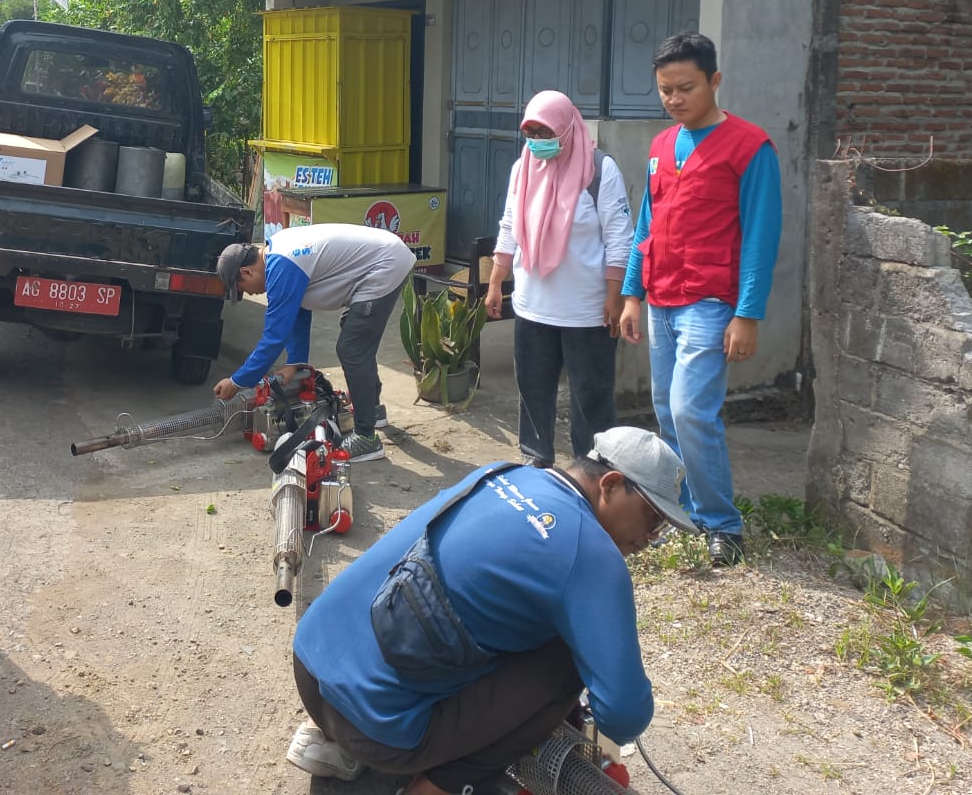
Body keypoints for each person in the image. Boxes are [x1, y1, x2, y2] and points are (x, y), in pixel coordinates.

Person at [285, 426, 695, 793]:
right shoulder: (592, 554)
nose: (651, 537)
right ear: (611, 483)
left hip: (309, 665)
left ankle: (336, 739)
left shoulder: (503, 473)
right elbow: (624, 715)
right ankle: (437, 787)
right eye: (652, 517)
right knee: (567, 659)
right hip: (378, 730)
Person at [618, 31, 781, 568]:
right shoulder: (663, 146)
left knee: (692, 411)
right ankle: (682, 511)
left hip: (711, 304)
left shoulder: (750, 147)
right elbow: (648, 222)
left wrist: (748, 314)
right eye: (664, 90)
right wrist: (631, 294)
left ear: (714, 80)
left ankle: (722, 523)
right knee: (667, 412)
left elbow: (761, 235)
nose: (674, 99)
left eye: (685, 87)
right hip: (662, 299)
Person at [485, 90, 633, 468]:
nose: (538, 141)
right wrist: (496, 280)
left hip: (587, 310)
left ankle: (594, 469)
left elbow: (620, 239)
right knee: (533, 390)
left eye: (545, 131)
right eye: (530, 132)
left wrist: (616, 297)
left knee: (591, 396)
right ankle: (536, 459)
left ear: (568, 127)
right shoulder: (523, 168)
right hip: (533, 305)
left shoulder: (599, 170)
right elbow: (509, 225)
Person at [214, 223, 415, 462]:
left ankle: (366, 438)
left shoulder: (282, 266)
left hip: (384, 264)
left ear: (246, 272)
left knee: (352, 349)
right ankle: (371, 411)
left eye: (242, 289)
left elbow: (273, 339)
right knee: (356, 338)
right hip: (384, 258)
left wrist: (237, 382)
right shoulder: (278, 254)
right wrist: (295, 362)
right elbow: (298, 311)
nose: (250, 293)